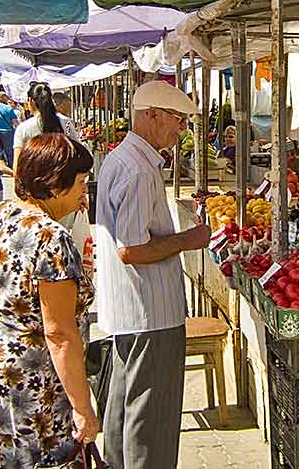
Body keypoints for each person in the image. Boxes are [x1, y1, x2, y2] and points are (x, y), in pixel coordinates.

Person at [0, 134, 97, 467]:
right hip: (30, 383)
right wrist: (82, 407)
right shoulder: (51, 237)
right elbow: (58, 334)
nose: (84, 192)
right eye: (80, 183)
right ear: (55, 184)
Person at [95, 81, 211, 469]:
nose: (180, 130)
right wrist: (188, 239)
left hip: (130, 310)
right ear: (152, 116)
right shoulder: (139, 170)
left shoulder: (122, 159)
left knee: (125, 408)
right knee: (151, 419)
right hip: (149, 312)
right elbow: (132, 249)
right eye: (177, 120)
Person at [13, 83, 78, 172]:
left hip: (35, 180)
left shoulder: (23, 129)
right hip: (63, 179)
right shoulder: (66, 122)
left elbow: (17, 168)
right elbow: (76, 150)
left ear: (30, 101)